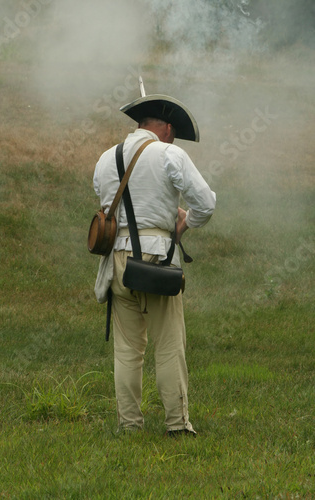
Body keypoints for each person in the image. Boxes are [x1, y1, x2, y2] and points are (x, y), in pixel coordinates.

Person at [93, 91, 216, 436]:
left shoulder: (105, 159)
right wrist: (181, 223)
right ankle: (177, 425)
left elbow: (110, 207)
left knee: (127, 350)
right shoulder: (169, 153)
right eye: (172, 131)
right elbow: (205, 204)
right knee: (168, 345)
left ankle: (129, 426)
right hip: (156, 259)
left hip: (116, 261)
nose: (173, 137)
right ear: (163, 128)